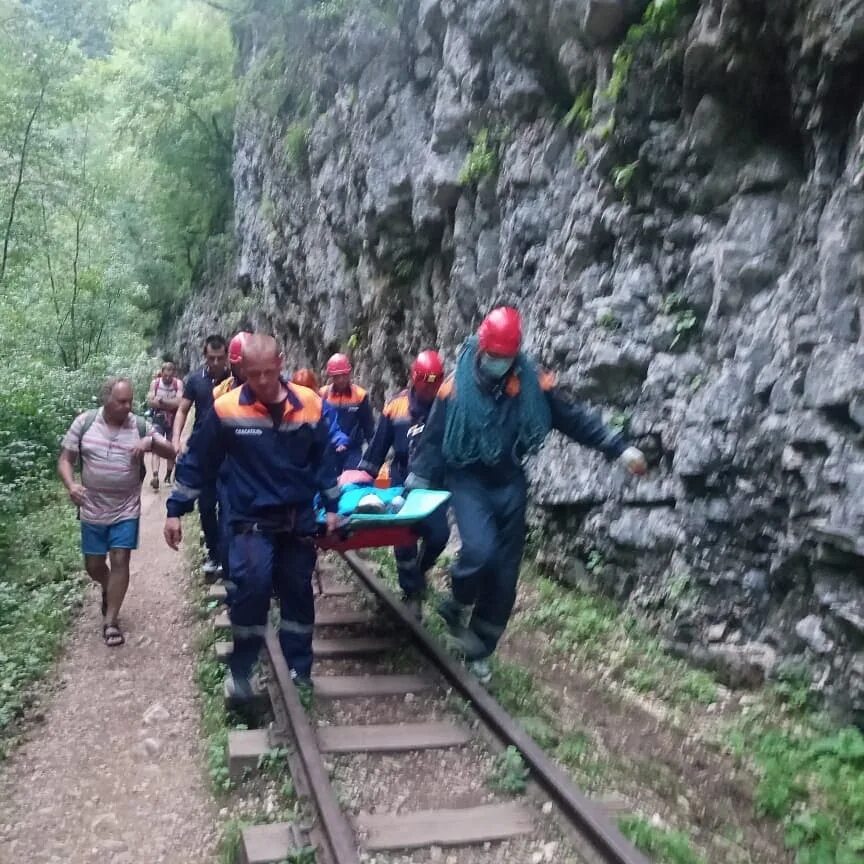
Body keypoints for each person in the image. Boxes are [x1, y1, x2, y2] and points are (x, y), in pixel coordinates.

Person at [408, 307, 648, 683]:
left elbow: (572, 417)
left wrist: (617, 448)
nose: (500, 364)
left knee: (504, 576)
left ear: (515, 355)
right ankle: (459, 598)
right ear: (482, 349)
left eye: (507, 358)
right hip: (468, 480)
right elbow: (434, 438)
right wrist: (418, 481)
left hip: (509, 480)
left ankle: (481, 650)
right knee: (478, 550)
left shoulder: (532, 383)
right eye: (495, 357)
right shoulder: (455, 388)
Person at [164, 335, 340, 701]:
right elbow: (200, 461)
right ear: (242, 369)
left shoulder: (309, 404)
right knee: (251, 590)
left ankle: (299, 668)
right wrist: (176, 509)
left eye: (268, 372)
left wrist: (333, 506)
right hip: (250, 520)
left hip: (297, 520)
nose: (261, 381)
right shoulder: (228, 410)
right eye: (253, 373)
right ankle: (242, 671)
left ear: (281, 363)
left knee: (297, 594)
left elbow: (324, 460)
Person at [58, 377, 175, 647]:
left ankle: (111, 621)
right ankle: (108, 585)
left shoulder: (140, 425)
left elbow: (172, 451)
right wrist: (71, 484)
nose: (128, 406)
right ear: (106, 399)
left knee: (121, 557)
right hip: (92, 508)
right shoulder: (85, 423)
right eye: (121, 401)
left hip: (126, 507)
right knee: (94, 565)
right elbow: (65, 459)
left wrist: (150, 443)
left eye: (130, 400)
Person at [355, 350, 449, 620]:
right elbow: (378, 447)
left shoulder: (446, 405)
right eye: (426, 382)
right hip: (402, 478)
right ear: (414, 379)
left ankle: (421, 569)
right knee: (404, 538)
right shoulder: (396, 407)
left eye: (435, 383)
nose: (430, 388)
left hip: (434, 482)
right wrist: (364, 479)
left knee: (439, 535)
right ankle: (411, 592)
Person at [172, 335, 229, 575]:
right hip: (203, 452)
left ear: (226, 357)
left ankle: (227, 555)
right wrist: (176, 439)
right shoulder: (195, 380)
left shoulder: (235, 379)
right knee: (206, 506)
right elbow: (183, 410)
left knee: (227, 505)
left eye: (220, 358)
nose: (215, 362)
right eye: (211, 358)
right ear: (204, 356)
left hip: (229, 451)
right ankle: (214, 554)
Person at [319, 353, 374, 471]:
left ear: (349, 374)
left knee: (352, 484)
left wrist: (374, 456)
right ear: (331, 376)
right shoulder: (323, 394)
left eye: (344, 375)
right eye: (337, 376)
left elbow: (368, 427)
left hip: (353, 450)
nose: (341, 380)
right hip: (329, 449)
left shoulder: (360, 396)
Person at [292, 368, 350, 456]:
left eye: (307, 389)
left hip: (318, 455)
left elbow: (333, 430)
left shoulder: (323, 406)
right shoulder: (286, 405)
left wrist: (341, 441)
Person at [147, 359, 183, 490]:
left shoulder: (178, 384)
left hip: (174, 419)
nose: (167, 377)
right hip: (158, 418)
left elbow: (179, 402)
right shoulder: (155, 383)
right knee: (156, 445)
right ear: (161, 373)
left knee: (171, 447)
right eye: (165, 375)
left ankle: (168, 475)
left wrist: (162, 402)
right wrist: (169, 403)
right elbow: (150, 402)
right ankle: (155, 476)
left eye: (170, 375)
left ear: (174, 373)